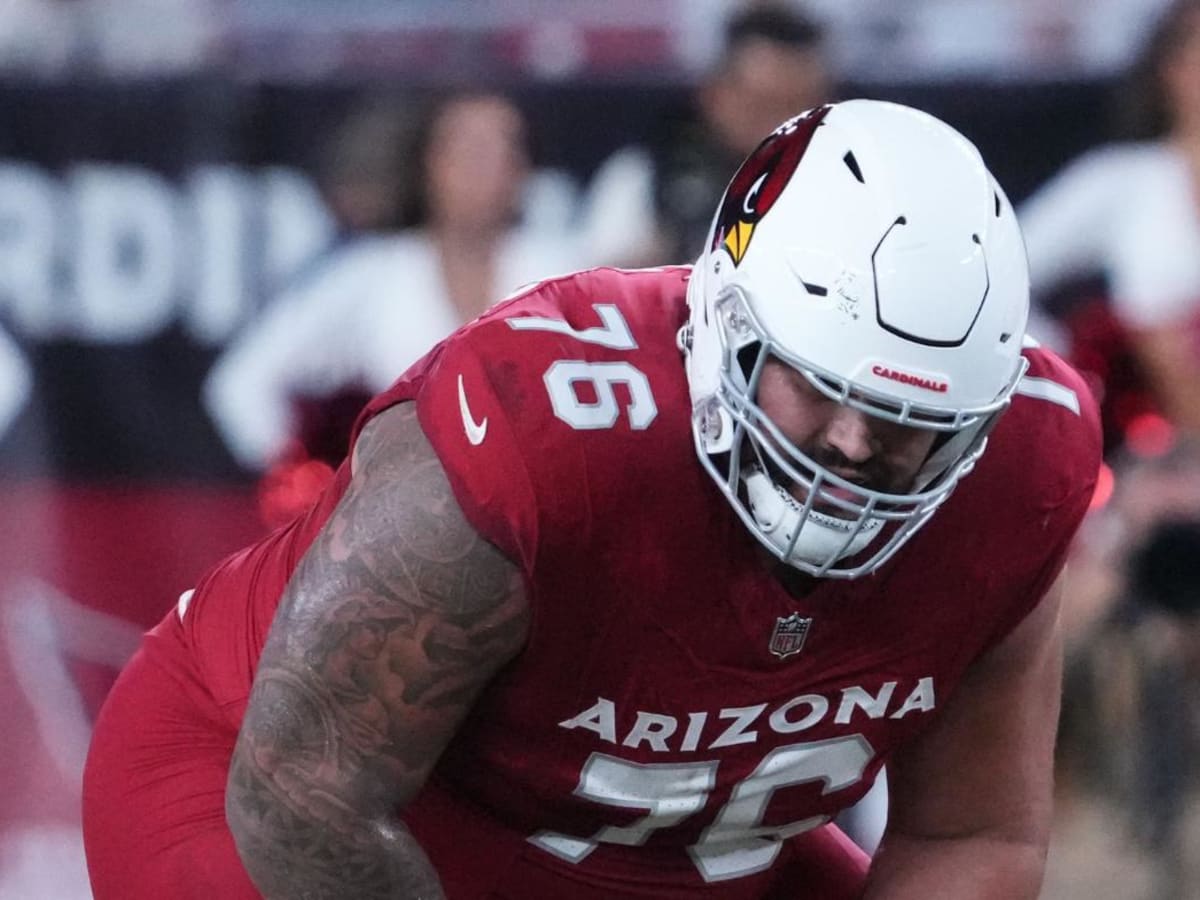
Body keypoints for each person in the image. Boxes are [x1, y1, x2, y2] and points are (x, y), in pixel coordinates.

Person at [82, 99, 1101, 899]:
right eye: (822, 390)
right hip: (293, 797)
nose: (853, 447)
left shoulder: (1020, 472)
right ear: (729, 325)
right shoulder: (547, 434)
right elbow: (303, 795)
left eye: (907, 423)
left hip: (665, 851)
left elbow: (974, 832)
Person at [205, 89, 583, 475]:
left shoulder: (564, 275)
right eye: (466, 148)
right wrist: (305, 484)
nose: (482, 165)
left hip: (536, 516)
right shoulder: (376, 276)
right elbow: (242, 383)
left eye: (501, 148)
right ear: (428, 165)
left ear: (523, 170)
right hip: (408, 515)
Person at [1019, 0, 1200, 442]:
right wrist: (1063, 377)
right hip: (1149, 469)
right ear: (1170, 69)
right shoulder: (1121, 180)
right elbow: (990, 273)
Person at [585, 2, 834, 268]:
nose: (783, 124)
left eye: (799, 107)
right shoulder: (643, 176)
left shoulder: (847, 182)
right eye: (763, 104)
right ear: (716, 94)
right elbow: (588, 285)